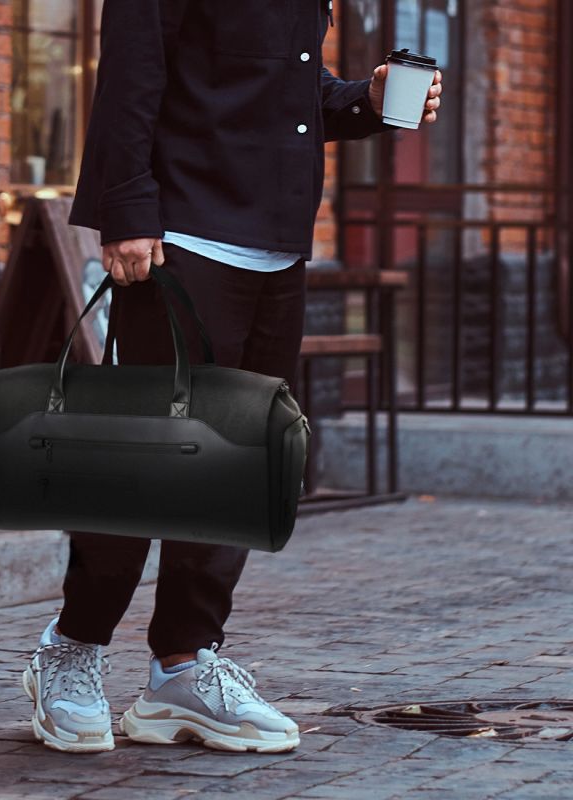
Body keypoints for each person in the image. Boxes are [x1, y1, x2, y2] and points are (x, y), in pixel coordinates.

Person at [22, 0, 443, 754]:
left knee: (240, 467)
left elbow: (278, 89)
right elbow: (131, 76)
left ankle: (182, 667)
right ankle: (72, 649)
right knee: (144, 460)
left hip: (277, 244)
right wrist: (126, 211)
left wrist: (367, 100)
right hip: (183, 237)